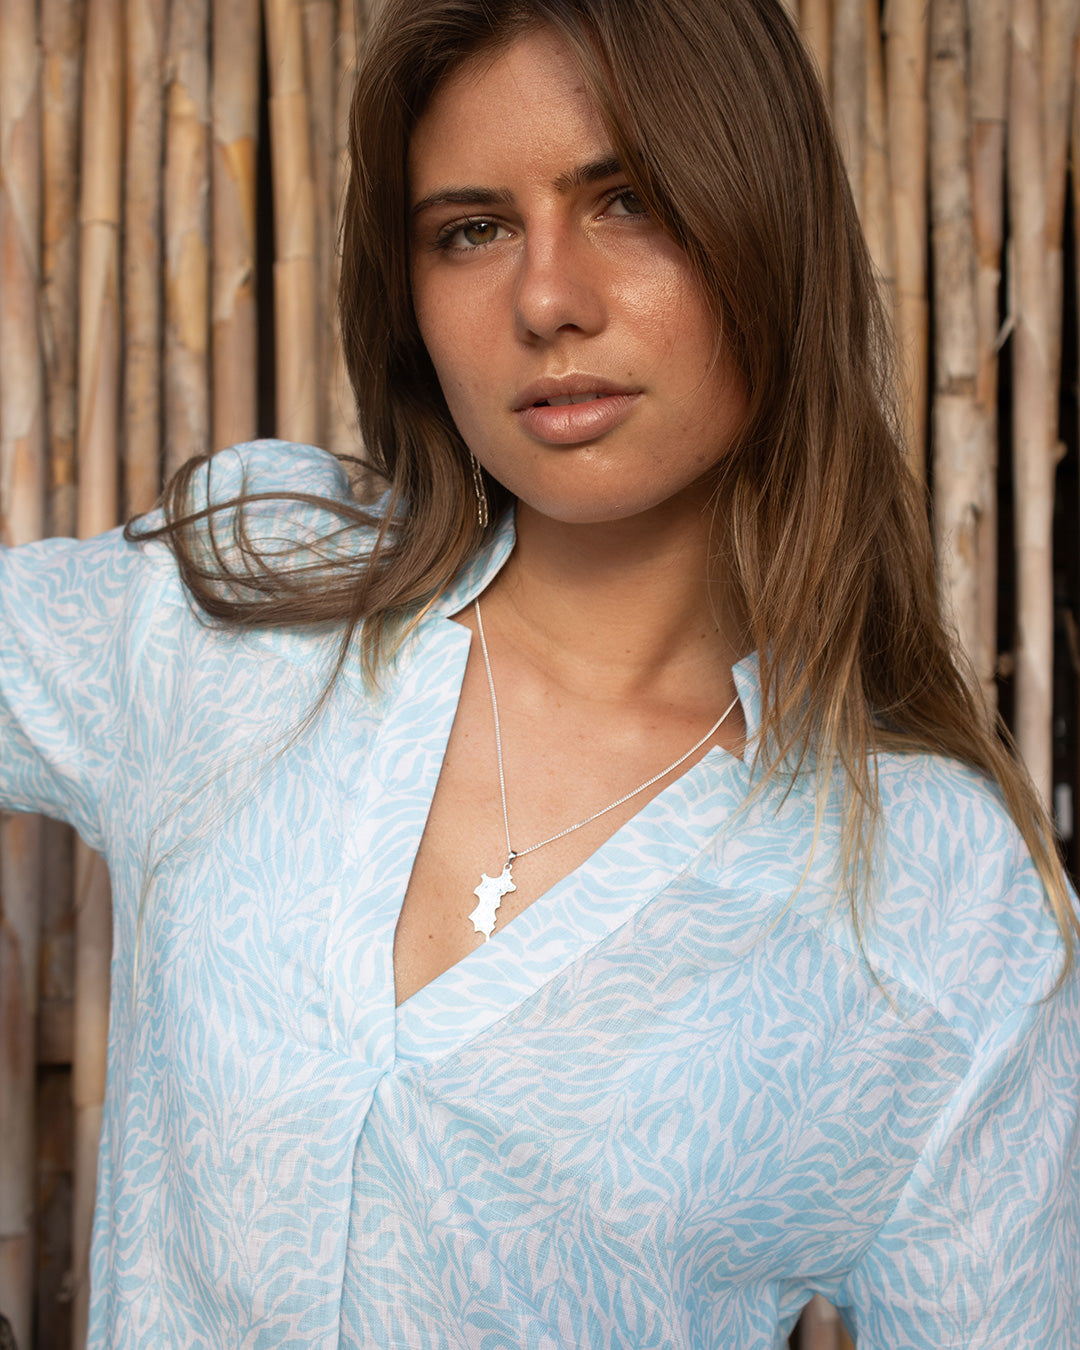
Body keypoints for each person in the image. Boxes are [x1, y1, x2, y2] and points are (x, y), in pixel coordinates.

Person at [2, 0, 1078, 1344]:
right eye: (472, 229)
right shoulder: (246, 607)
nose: (548, 299)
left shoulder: (937, 898)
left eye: (629, 202)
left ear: (768, 223)